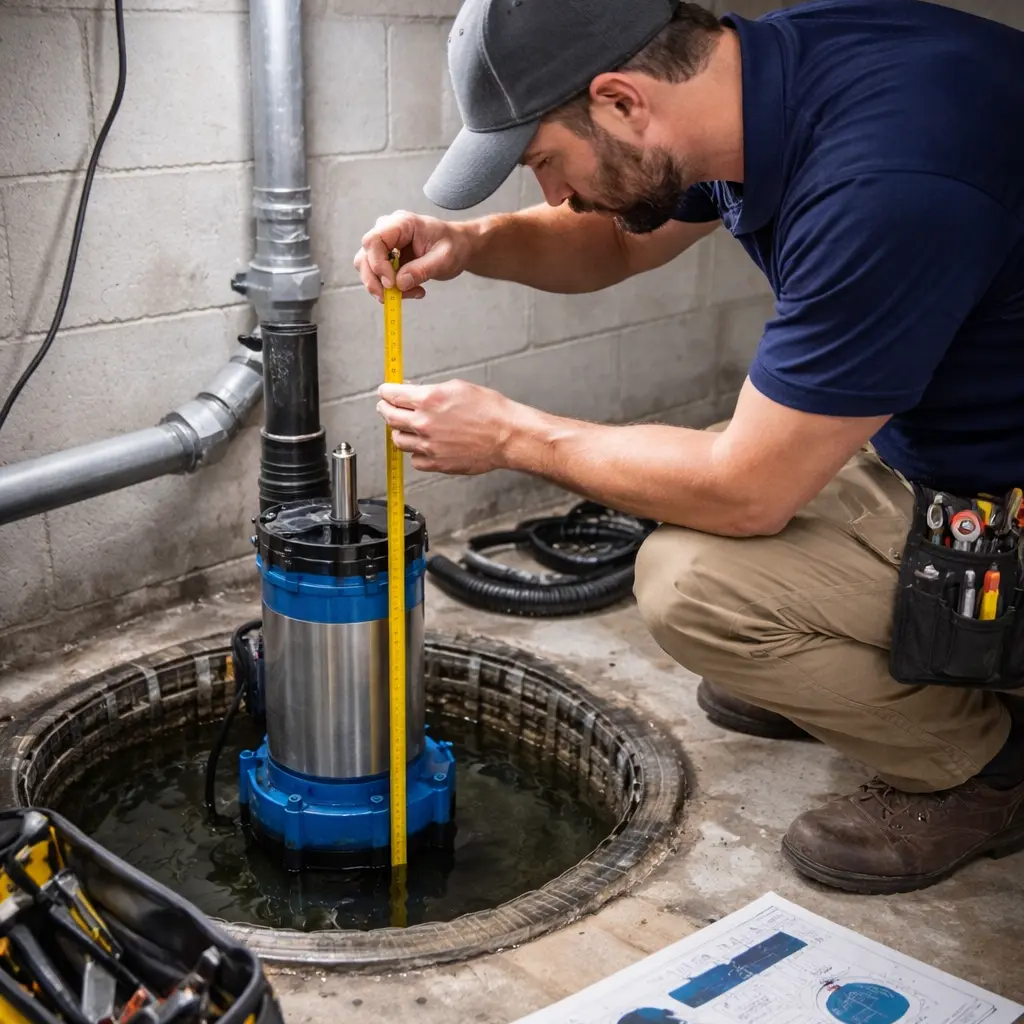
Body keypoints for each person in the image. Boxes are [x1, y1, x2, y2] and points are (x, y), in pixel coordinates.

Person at [354, 0, 1024, 895]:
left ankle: (987, 767)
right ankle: (843, 665)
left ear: (623, 102)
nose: (550, 194)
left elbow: (747, 491)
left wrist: (514, 435)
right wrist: (472, 244)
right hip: (952, 441)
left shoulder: (888, 180)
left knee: (694, 582)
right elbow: (613, 244)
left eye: (545, 161)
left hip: (996, 496)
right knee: (689, 465)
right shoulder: (757, 78)